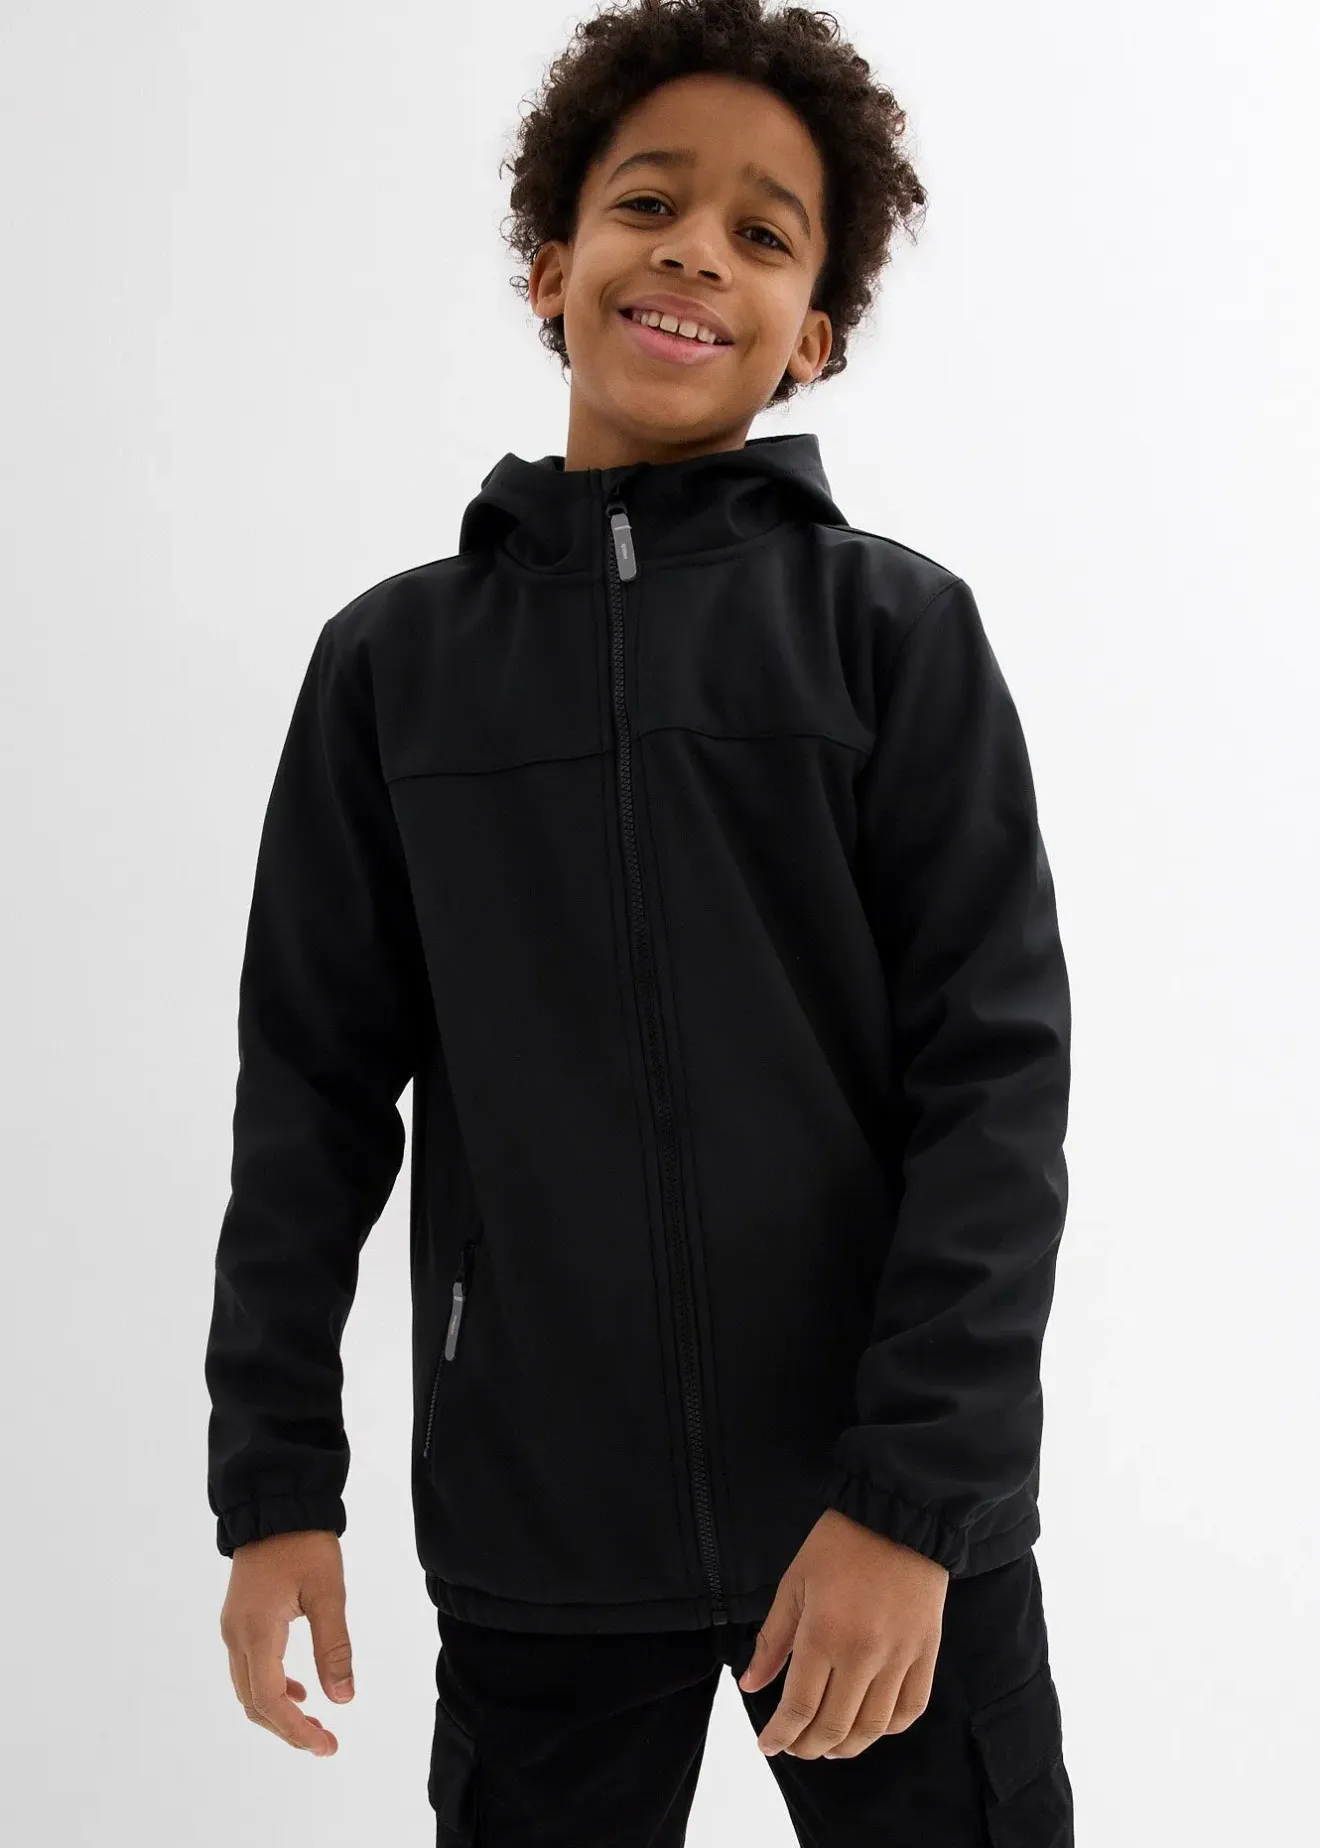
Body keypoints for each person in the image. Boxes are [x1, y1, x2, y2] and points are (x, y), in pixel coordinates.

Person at [205, 2, 1075, 1842]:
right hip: (543, 1529)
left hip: (876, 1529)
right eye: (649, 205)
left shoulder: (893, 637)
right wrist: (276, 1487)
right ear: (553, 266)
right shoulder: (392, 669)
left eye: (763, 233)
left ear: (813, 332)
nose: (694, 253)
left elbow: (996, 1092)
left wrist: (916, 1504)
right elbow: (308, 1100)